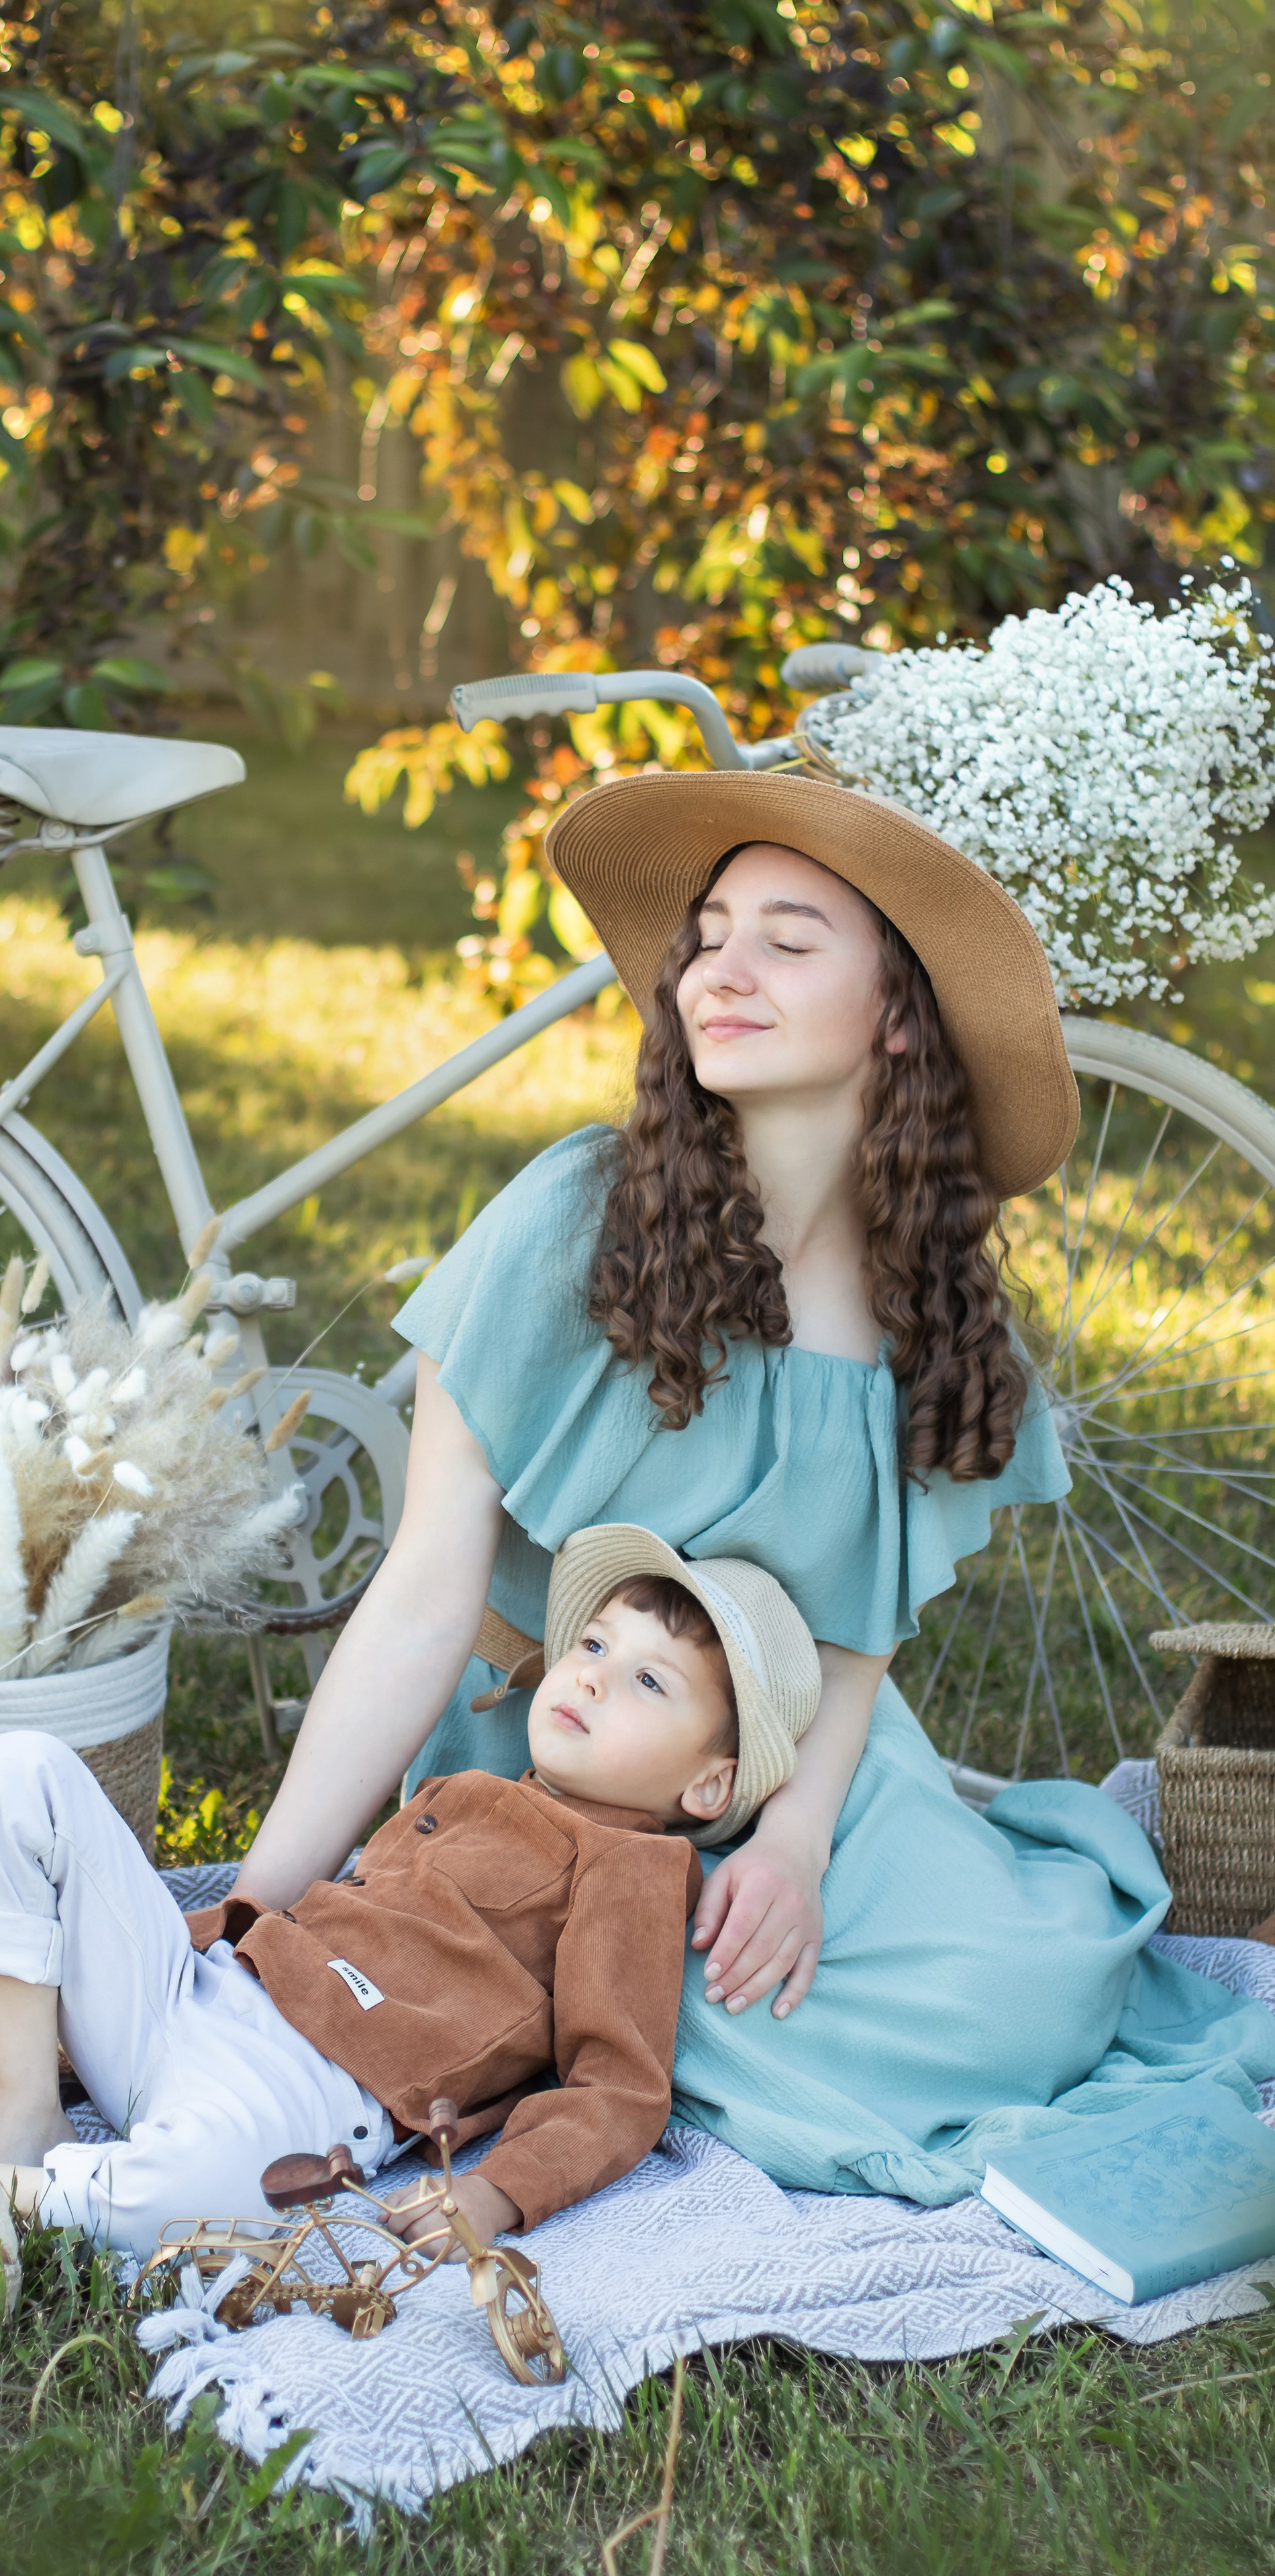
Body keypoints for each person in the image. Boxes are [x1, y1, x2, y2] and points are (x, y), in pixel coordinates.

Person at [222, 768, 1275, 2204]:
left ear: (896, 1017)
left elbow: (849, 1649)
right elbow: (423, 1595)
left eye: (786, 942)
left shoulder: (919, 1314)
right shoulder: (574, 1223)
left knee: (1016, 2000)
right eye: (709, 937)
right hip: (570, 1766)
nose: (721, 970)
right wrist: (257, 1903)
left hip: (797, 1757)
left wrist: (790, 1849)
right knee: (674, 1993)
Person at [0, 1531, 819, 2257]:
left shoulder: (630, 1868)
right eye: (594, 1644)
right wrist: (186, 1938)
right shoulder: (468, 1788)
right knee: (16, 1770)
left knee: (204, 2203)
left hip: (303, 2085)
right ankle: (25, 2121)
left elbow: (619, 2087)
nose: (591, 1675)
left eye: (649, 1681)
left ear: (709, 1784)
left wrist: (497, 2194)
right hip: (203, 1985)